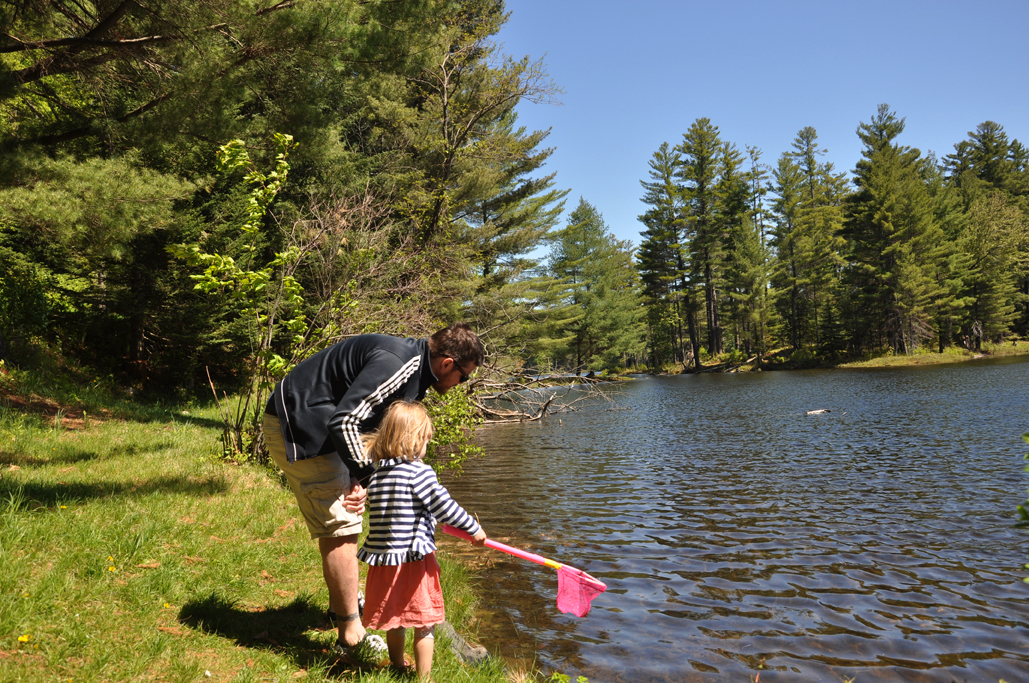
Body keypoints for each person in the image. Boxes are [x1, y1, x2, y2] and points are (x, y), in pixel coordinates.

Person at [262, 323, 484, 652]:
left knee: (345, 518)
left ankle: (343, 607)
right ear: (448, 363)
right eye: (464, 377)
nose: (461, 384)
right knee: (342, 525)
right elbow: (345, 421)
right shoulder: (399, 364)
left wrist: (364, 474)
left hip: (324, 426)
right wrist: (368, 479)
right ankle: (350, 632)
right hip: (299, 425)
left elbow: (370, 424)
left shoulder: (418, 371)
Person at [357, 400, 486, 679]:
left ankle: (397, 666)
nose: (427, 446)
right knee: (424, 622)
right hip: (413, 561)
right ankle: (424, 678)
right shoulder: (419, 472)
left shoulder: (377, 475)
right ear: (414, 440)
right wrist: (473, 528)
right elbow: (444, 506)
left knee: (395, 620)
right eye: (426, 439)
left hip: (384, 561)